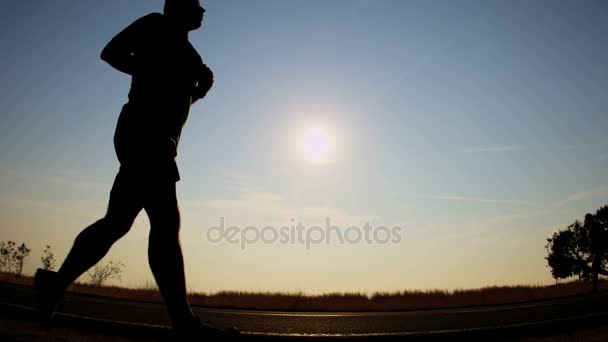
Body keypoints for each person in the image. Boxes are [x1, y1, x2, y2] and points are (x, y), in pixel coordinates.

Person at [34, 0, 238, 336]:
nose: (203, 10)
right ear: (177, 7)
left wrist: (199, 91)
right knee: (165, 224)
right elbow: (111, 53)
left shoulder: (192, 55)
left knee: (118, 222)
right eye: (196, 4)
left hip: (160, 142)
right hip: (143, 134)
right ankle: (183, 322)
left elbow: (176, 98)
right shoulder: (155, 25)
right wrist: (152, 69)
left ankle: (54, 284)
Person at [585, 213, 607, 293]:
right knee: (596, 269)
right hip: (597, 250)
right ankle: (595, 288)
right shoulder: (593, 226)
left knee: (595, 269)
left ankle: (595, 288)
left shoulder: (595, 226)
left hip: (598, 250)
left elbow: (597, 240)